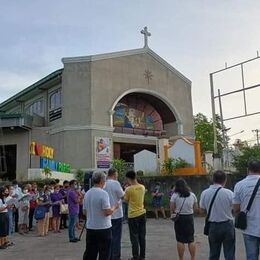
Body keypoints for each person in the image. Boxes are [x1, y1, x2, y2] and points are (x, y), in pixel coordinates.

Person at [83, 171, 118, 260]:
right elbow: (107, 212)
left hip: (91, 228)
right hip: (103, 228)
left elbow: (84, 212)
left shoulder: (87, 193)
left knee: (90, 253)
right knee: (104, 253)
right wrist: (114, 207)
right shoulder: (103, 193)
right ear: (102, 181)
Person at [200, 171, 235, 260]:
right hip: (227, 225)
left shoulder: (205, 193)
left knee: (213, 254)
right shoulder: (229, 193)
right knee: (229, 253)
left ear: (213, 179)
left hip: (213, 226)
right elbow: (235, 208)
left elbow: (202, 210)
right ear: (225, 180)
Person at [233, 161, 260, 260]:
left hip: (249, 228)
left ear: (248, 170)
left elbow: (236, 208)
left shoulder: (239, 185)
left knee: (251, 257)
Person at [170, 178, 197, 260]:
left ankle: (181, 258)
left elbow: (172, 208)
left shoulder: (174, 195)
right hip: (189, 217)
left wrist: (174, 213)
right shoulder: (192, 195)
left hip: (179, 218)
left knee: (180, 240)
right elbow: (195, 207)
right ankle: (192, 258)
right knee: (191, 239)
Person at [124, 170, 146, 260]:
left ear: (129, 178)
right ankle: (142, 256)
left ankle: (135, 256)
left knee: (134, 237)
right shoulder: (142, 187)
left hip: (133, 215)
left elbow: (126, 200)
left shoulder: (128, 189)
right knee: (142, 236)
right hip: (142, 213)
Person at [104, 168, 125, 260]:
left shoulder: (103, 184)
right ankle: (115, 257)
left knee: (108, 237)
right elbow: (122, 196)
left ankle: (108, 256)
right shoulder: (115, 183)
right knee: (116, 237)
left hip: (106, 214)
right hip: (116, 213)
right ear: (114, 174)